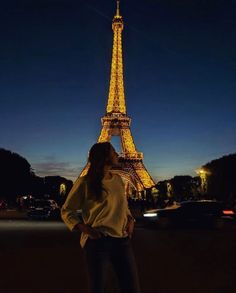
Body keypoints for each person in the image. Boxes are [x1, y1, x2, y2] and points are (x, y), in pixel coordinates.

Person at [61, 142, 141, 293]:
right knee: (98, 289)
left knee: (132, 289)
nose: (118, 154)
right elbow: (67, 210)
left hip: (122, 241)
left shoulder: (117, 179)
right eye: (114, 152)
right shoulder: (84, 182)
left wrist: (131, 220)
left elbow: (123, 206)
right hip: (98, 243)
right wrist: (85, 229)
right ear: (105, 157)